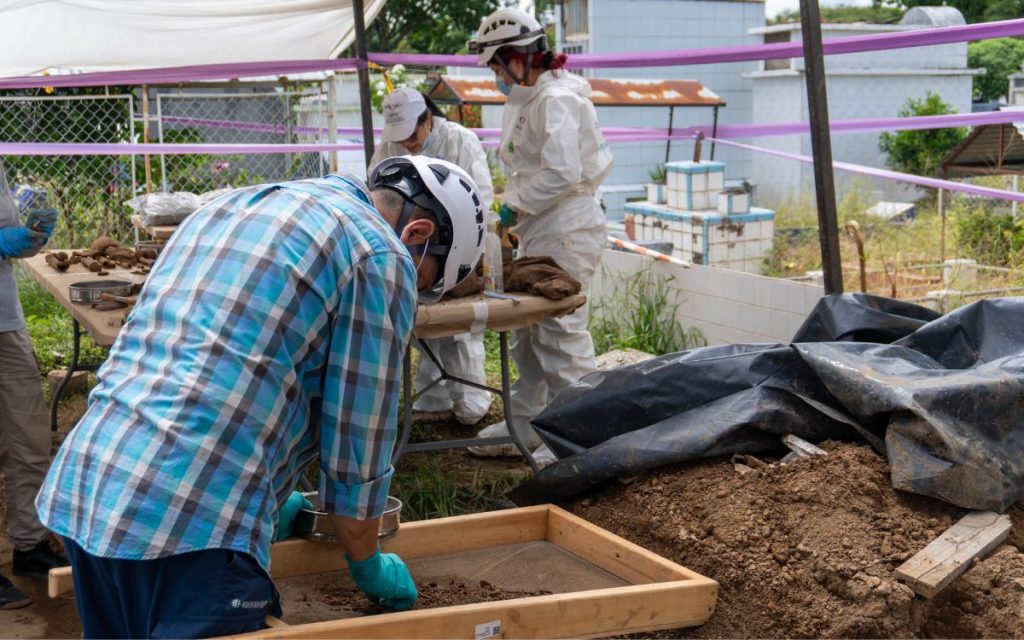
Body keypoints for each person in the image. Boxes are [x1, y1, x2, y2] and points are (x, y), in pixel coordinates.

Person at [35, 155, 485, 639]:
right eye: (424, 280)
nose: (411, 286)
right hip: (192, 525)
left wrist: (271, 496)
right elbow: (360, 435)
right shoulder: (381, 254)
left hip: (92, 486)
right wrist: (367, 560)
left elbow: (209, 370)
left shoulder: (232, 205)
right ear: (417, 233)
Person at [467, 8, 613, 465]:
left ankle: (583, 437)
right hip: (542, 227)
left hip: (567, 227)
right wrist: (516, 208)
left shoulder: (558, 100)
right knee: (528, 332)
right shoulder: (527, 99)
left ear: (518, 57)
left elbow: (561, 173)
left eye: (496, 65)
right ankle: (529, 422)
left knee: (559, 332)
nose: (495, 76)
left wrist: (515, 205)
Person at [370, 88, 494, 426]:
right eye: (401, 137)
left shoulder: (460, 141)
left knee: (459, 330)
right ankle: (432, 396)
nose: (407, 143)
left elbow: (480, 198)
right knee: (422, 320)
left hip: (456, 243)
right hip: (410, 243)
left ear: (428, 119)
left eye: (413, 134)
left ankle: (471, 398)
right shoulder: (391, 145)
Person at [0, 159, 70, 610]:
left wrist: (29, 238)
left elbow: (7, 243)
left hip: (5, 321)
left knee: (28, 439)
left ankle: (28, 546)